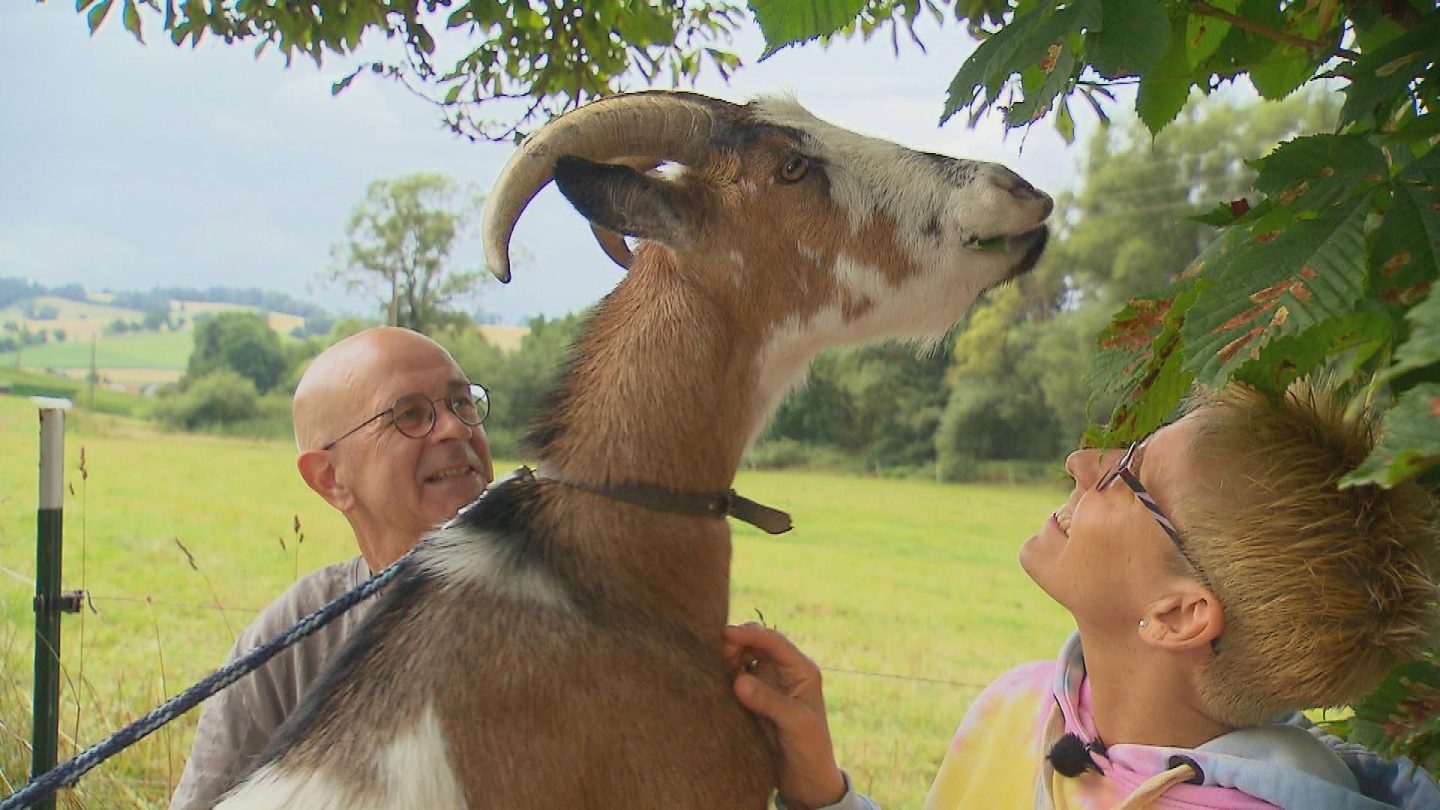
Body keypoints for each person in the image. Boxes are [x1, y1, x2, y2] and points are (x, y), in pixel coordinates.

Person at [727, 383, 1440, 809]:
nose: (1083, 461)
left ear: (1178, 613)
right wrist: (825, 789)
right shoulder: (1022, 705)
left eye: (1130, 475)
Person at [169, 326, 495, 810]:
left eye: (461, 402)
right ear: (331, 478)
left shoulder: (584, 593)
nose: (454, 429)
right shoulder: (287, 646)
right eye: (409, 415)